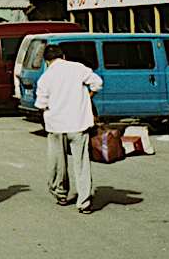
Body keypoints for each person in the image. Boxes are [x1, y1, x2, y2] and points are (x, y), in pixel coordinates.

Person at [35, 44, 104, 214]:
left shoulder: (46, 77)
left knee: (58, 162)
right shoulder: (78, 68)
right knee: (81, 163)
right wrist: (88, 96)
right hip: (79, 123)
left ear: (46, 61)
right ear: (63, 56)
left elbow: (41, 104)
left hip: (56, 126)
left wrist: (51, 111)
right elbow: (97, 83)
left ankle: (61, 194)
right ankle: (84, 201)